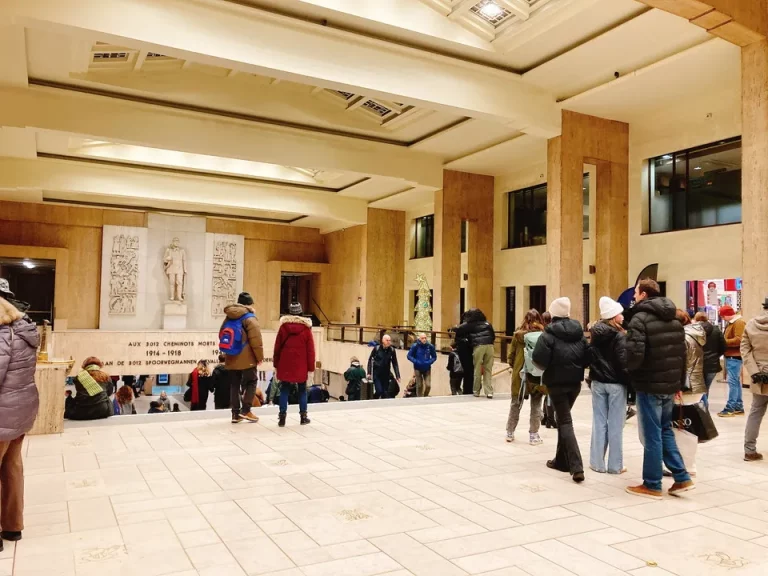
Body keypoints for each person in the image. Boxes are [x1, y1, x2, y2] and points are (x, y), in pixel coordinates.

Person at [624, 279, 691, 499]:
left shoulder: (639, 319)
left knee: (653, 434)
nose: (633, 296)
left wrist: (629, 374)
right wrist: (679, 383)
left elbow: (634, 355)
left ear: (643, 294)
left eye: (635, 293)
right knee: (664, 430)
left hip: (649, 384)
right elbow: (682, 355)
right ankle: (681, 477)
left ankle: (652, 483)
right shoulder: (673, 319)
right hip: (669, 385)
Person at [532, 297, 589, 483]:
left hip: (556, 384)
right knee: (562, 419)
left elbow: (539, 360)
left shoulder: (548, 335)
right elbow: (587, 357)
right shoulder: (579, 334)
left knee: (564, 421)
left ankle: (576, 466)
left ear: (553, 314)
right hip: (575, 384)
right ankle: (561, 461)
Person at [0, 290, 40, 550]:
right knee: (12, 467)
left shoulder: (2, 336)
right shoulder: (23, 332)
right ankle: (13, 527)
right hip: (20, 412)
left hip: (2, 413)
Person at [589, 297, 630, 475]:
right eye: (619, 313)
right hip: (616, 384)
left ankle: (597, 463)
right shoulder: (619, 336)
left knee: (599, 422)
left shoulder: (595, 334)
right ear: (613, 317)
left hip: (598, 382)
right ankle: (615, 465)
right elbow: (623, 363)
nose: (622, 316)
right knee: (616, 424)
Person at [222, 292, 264, 424]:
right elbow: (256, 340)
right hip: (247, 359)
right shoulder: (250, 318)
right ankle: (246, 410)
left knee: (234, 384)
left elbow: (221, 334)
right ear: (249, 304)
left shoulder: (229, 317)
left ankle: (235, 414)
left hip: (231, 356)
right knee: (252, 381)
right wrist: (259, 357)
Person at [506, 309, 545, 445]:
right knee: (536, 405)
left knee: (515, 404)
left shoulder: (517, 335)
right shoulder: (543, 335)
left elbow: (511, 356)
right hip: (537, 374)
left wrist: (513, 365)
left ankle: (510, 432)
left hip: (520, 374)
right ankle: (533, 435)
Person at [274, 302, 316, 427]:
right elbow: (310, 351)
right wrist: (310, 368)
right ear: (300, 312)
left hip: (285, 364)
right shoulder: (306, 329)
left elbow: (277, 348)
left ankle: (282, 418)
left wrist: (276, 364)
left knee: (284, 389)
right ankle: (303, 417)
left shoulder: (283, 328)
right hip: (301, 365)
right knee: (302, 390)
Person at [677, 309, 707, 476]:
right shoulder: (696, 335)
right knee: (688, 428)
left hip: (686, 388)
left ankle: (686, 466)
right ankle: (689, 464)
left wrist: (679, 386)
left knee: (681, 428)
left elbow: (683, 365)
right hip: (696, 385)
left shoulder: (683, 338)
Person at [741, 297, 768, 461]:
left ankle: (749, 450)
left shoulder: (751, 323)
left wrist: (754, 371)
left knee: (755, 413)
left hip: (759, 377)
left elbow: (745, 349)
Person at [456, 309, 496, 398]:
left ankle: (476, 391)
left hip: (479, 346)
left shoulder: (470, 324)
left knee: (477, 368)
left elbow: (459, 329)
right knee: (488, 370)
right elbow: (493, 336)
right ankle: (489, 392)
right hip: (490, 346)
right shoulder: (487, 323)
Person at [692, 312, 725, 409]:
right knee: (706, 388)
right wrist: (715, 356)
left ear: (696, 319)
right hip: (712, 364)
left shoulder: (692, 330)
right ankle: (704, 409)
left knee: (699, 389)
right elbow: (723, 346)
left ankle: (701, 409)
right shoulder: (716, 330)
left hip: (697, 363)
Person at [719, 305, 747, 417]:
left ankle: (730, 408)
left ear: (726, 314)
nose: (722, 318)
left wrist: (723, 341)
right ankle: (738, 406)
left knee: (733, 382)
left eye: (722, 316)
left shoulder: (738, 323)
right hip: (732, 355)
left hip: (734, 356)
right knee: (735, 382)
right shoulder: (734, 322)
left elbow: (739, 339)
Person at [367, 334, 400, 399]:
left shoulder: (392, 350)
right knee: (379, 391)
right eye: (387, 340)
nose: (388, 342)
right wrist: (369, 372)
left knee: (385, 393)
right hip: (377, 374)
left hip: (386, 374)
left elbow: (395, 363)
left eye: (389, 340)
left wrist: (397, 375)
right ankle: (373, 399)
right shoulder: (377, 349)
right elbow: (370, 360)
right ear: (383, 341)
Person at [540, 312, 557, 429]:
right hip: (551, 366)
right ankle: (550, 419)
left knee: (548, 393)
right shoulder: (550, 333)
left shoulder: (542, 332)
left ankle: (545, 416)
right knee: (551, 394)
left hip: (542, 366)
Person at [407, 333, 437, 397]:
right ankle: (419, 398)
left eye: (425, 338)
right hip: (417, 368)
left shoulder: (430, 346)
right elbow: (409, 356)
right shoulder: (415, 346)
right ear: (419, 339)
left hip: (427, 368)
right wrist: (416, 361)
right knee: (419, 385)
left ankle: (425, 396)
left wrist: (429, 362)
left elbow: (434, 357)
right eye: (422, 338)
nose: (424, 339)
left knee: (428, 385)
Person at [453, 315, 475, 395]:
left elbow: (457, 340)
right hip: (468, 351)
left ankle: (467, 390)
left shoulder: (462, 328)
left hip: (464, 351)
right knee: (469, 372)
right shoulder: (470, 327)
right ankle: (469, 390)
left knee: (467, 372)